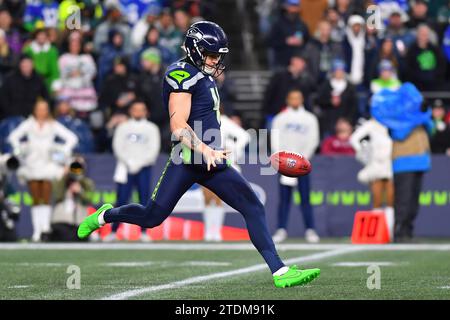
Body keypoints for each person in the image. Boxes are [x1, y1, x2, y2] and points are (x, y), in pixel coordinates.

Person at [77, 21, 320, 288]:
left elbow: (207, 119)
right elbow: (179, 127)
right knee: (152, 217)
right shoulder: (181, 74)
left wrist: (216, 148)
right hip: (187, 158)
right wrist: (205, 149)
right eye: (212, 55)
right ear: (195, 50)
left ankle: (280, 271)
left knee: (252, 206)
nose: (216, 61)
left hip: (211, 159)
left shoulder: (204, 76)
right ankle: (105, 216)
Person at [8, 99, 78, 242]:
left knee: (46, 197)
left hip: (47, 164)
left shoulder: (53, 125)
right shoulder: (28, 124)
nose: (42, 112)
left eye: (45, 109)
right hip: (31, 164)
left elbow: (72, 138)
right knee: (35, 198)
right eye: (39, 109)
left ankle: (45, 229)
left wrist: (62, 151)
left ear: (48, 110)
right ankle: (36, 231)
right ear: (35, 110)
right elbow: (13, 137)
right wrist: (19, 149)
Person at [371, 82, 433, 242]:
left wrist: (423, 114)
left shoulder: (418, 116)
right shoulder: (396, 119)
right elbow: (399, 135)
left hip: (421, 161)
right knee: (403, 200)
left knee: (414, 202)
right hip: (403, 163)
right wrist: (415, 118)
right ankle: (399, 231)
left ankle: (408, 230)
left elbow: (431, 129)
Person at [105, 100, 160, 242]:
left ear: (145, 111)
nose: (138, 112)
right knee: (121, 200)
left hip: (144, 168)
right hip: (125, 167)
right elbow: (117, 146)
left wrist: (140, 163)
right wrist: (128, 162)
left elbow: (153, 149)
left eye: (141, 109)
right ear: (130, 111)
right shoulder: (123, 127)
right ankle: (114, 231)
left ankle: (143, 232)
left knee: (144, 201)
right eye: (135, 109)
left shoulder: (152, 128)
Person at [270, 90, 320, 243]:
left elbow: (314, 140)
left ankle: (310, 230)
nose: (295, 100)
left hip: (303, 165)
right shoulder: (280, 118)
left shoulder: (310, 119)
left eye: (298, 97)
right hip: (285, 165)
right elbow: (274, 139)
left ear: (302, 99)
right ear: (288, 100)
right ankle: (281, 229)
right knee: (284, 198)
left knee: (305, 198)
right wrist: (284, 160)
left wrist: (302, 160)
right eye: (292, 98)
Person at [202, 109, 250, 242]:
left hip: (221, 162)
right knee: (206, 197)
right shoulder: (201, 118)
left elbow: (245, 136)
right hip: (205, 160)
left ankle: (216, 231)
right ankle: (207, 231)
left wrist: (234, 150)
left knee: (217, 198)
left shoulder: (224, 121)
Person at [350, 118, 395, 240]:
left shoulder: (393, 121)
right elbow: (354, 139)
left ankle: (390, 232)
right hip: (376, 164)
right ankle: (378, 232)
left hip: (392, 162)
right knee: (377, 198)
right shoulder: (370, 124)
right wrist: (363, 152)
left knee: (391, 199)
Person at [50, 156, 95, 242]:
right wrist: (65, 175)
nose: (76, 168)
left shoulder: (86, 182)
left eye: (79, 165)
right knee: (64, 237)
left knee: (82, 238)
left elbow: (89, 199)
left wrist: (80, 191)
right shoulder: (62, 180)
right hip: (62, 221)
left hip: (80, 222)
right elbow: (57, 195)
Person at [0, 55, 48, 120]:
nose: (26, 66)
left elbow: (46, 97)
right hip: (12, 115)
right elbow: (3, 98)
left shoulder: (38, 79)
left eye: (28, 63)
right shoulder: (10, 79)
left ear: (33, 65)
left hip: (32, 116)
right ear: (20, 65)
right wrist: (10, 113)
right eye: (24, 63)